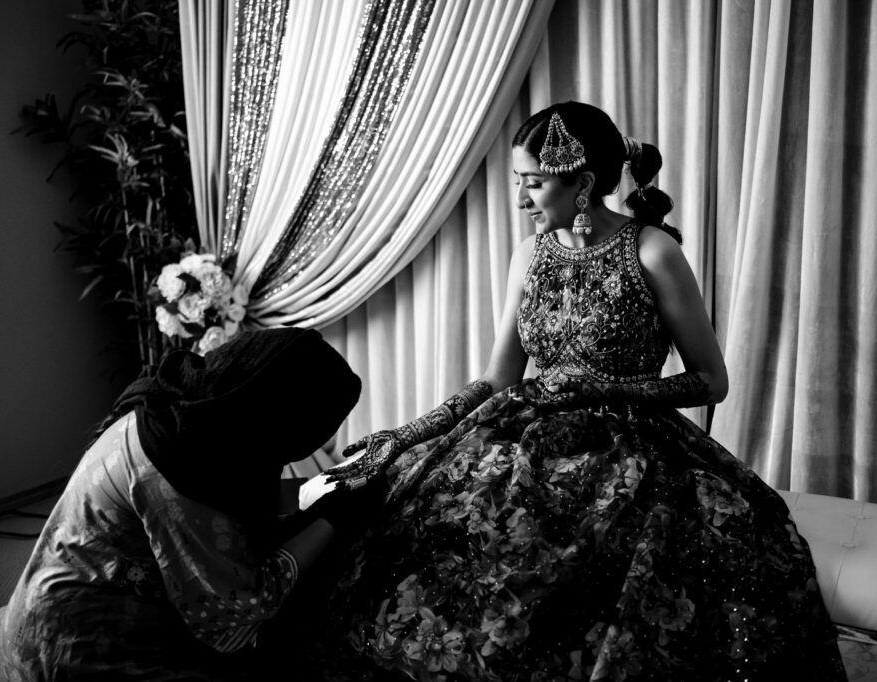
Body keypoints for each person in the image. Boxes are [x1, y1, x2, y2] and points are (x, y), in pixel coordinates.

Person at [291, 101, 848, 681]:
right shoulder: (528, 257)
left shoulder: (652, 251)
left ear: (582, 184)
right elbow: (498, 379)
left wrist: (609, 387)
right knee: (433, 540)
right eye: (519, 183)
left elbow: (712, 381)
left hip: (632, 452)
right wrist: (409, 433)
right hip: (523, 437)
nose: (521, 200)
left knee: (579, 574)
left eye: (533, 183)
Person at [0, 327, 365, 680]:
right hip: (66, 648)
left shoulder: (179, 408)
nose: (318, 445)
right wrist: (330, 521)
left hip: (53, 606)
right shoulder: (179, 472)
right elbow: (232, 621)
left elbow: (239, 514)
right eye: (313, 432)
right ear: (278, 417)